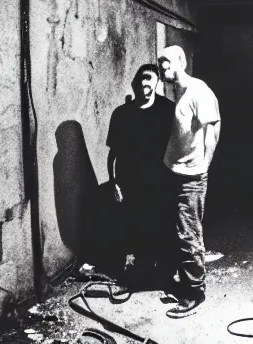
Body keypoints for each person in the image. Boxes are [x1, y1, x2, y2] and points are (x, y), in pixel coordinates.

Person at [157, 45, 221, 318]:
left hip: (191, 177)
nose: (162, 67)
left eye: (167, 62)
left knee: (189, 234)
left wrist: (202, 166)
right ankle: (184, 282)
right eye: (160, 63)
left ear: (181, 62)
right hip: (174, 172)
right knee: (177, 231)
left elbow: (213, 128)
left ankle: (194, 292)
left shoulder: (199, 91)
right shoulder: (179, 91)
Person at [105, 64, 176, 288]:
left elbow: (179, 145)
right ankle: (144, 270)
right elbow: (113, 154)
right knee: (139, 227)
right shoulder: (121, 114)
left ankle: (165, 275)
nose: (145, 83)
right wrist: (114, 183)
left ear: (157, 83)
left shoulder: (168, 110)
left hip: (162, 181)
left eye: (150, 79)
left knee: (163, 226)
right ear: (135, 83)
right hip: (132, 182)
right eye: (142, 79)